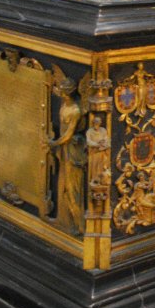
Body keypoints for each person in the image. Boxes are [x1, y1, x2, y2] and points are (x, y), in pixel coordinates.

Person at [50, 77, 86, 235]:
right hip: (63, 150)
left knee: (73, 189)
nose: (62, 95)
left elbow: (68, 135)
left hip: (72, 150)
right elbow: (54, 90)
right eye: (61, 92)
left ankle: (80, 225)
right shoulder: (64, 102)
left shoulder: (76, 110)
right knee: (64, 184)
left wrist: (53, 143)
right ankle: (67, 219)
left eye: (65, 93)